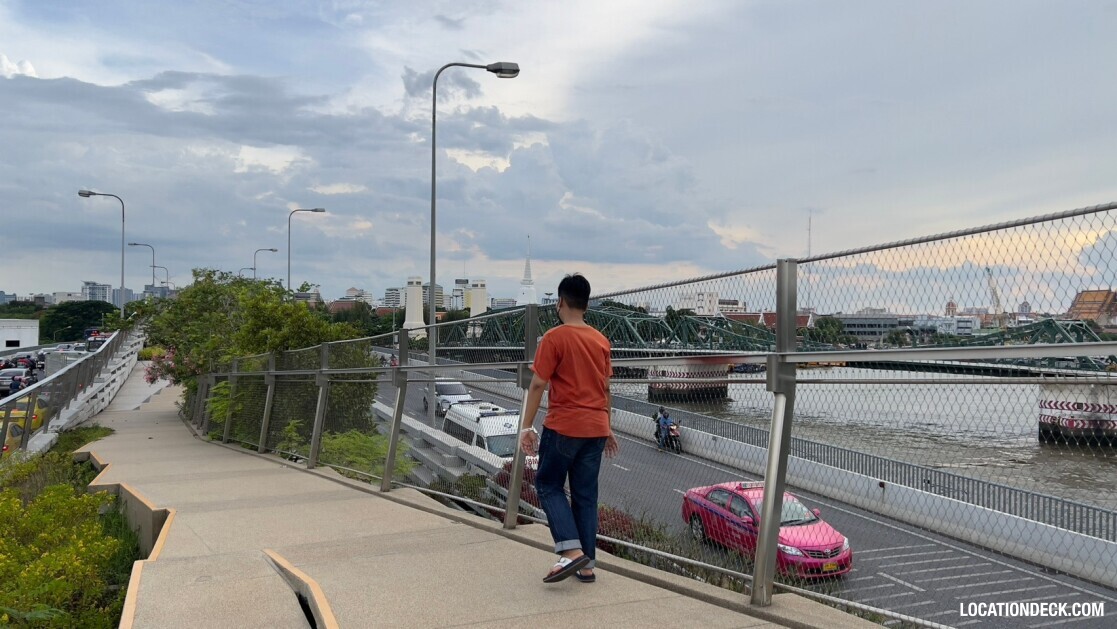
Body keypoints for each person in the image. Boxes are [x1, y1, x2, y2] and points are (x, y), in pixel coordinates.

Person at [519, 273, 619, 584]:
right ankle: (587, 566)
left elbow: (538, 384)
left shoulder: (554, 338)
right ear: (586, 305)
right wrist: (608, 426)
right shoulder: (601, 341)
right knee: (585, 495)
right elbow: (606, 388)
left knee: (548, 484)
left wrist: (526, 426)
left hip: (564, 425)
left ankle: (571, 551)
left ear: (560, 302)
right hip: (596, 427)